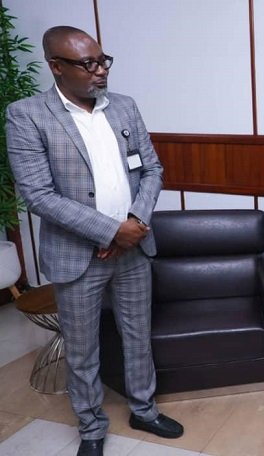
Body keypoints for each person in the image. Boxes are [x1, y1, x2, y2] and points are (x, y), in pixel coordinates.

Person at [6, 26, 183, 456]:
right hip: (77, 257)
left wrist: (133, 224)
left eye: (103, 61)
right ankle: (90, 427)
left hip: (134, 247)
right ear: (57, 67)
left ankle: (143, 407)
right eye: (88, 64)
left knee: (137, 335)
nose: (101, 70)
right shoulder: (26, 114)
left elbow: (152, 170)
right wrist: (109, 231)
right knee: (83, 349)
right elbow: (37, 194)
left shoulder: (124, 107)